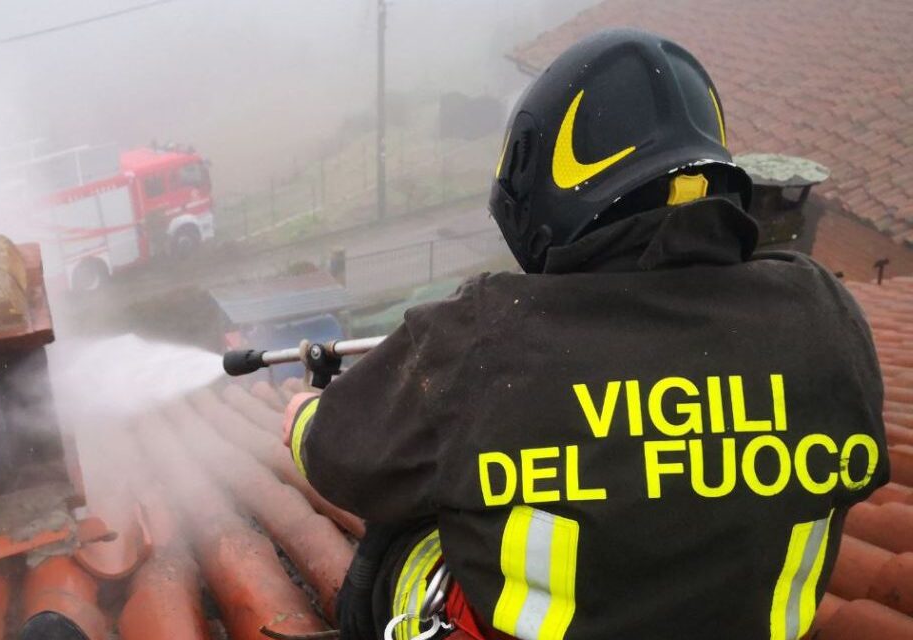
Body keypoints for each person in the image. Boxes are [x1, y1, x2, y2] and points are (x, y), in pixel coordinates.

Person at [281, 28, 889, 640]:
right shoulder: (825, 314)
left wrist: (305, 413)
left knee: (403, 536)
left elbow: (338, 457)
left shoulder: (489, 334)